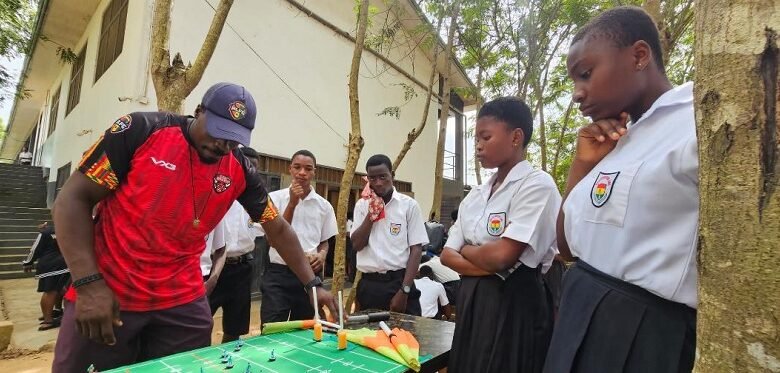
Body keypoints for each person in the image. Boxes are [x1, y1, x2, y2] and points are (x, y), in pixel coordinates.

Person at [51, 82, 338, 372]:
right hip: (109, 292)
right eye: (217, 132)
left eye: (232, 140)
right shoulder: (141, 130)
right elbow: (72, 200)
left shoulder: (239, 168)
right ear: (198, 111)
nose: (222, 145)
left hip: (180, 298)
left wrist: (313, 285)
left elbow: (276, 228)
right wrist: (88, 284)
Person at [544, 7, 698, 373]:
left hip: (642, 333)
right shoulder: (617, 139)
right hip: (579, 311)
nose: (577, 95)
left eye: (585, 74)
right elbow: (567, 247)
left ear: (639, 55)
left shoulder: (694, 121)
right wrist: (584, 164)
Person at [441, 97, 561, 373]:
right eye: (476, 140)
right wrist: (491, 261)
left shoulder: (536, 186)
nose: (478, 146)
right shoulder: (476, 196)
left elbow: (503, 256)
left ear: (516, 137)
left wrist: (470, 251)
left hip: (514, 304)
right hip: (472, 301)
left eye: (486, 137)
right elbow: (447, 255)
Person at [259, 150, 337, 324]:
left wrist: (322, 255)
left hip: (309, 275)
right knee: (273, 327)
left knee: (304, 328)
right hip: (279, 274)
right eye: (297, 167)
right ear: (290, 169)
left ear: (314, 172)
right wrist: (292, 204)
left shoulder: (324, 206)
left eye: (308, 169)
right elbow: (273, 240)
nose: (302, 172)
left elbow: (324, 241)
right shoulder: (273, 199)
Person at [350, 154, 428, 315]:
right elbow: (357, 245)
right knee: (370, 338)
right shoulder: (362, 205)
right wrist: (372, 215)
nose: (378, 183)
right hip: (369, 284)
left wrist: (404, 290)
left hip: (399, 283)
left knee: (407, 337)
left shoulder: (409, 206)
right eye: (372, 178)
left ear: (392, 175)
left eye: (383, 177)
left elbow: (416, 249)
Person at [207, 147, 265, 343]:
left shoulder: (256, 201)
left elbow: (264, 229)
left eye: (254, 170)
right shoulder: (215, 192)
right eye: (246, 168)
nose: (250, 174)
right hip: (211, 271)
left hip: (242, 268)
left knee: (235, 329)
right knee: (199, 326)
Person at [22, 221, 70, 331]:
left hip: (50, 265)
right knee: (56, 290)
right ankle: (52, 315)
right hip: (63, 264)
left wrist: (28, 262)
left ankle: (49, 319)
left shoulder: (46, 232)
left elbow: (35, 249)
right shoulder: (67, 230)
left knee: (51, 291)